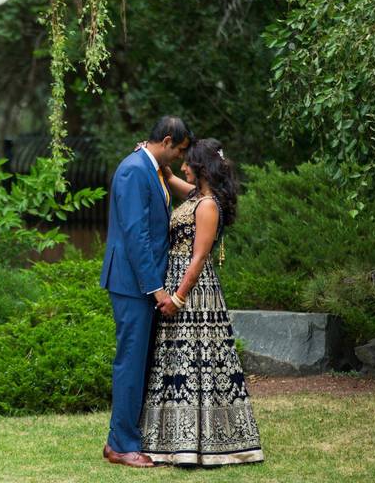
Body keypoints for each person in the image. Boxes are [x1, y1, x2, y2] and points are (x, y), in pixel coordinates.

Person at [139, 138, 264, 466]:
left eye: (187, 163)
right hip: (180, 285)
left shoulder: (207, 205)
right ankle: (175, 442)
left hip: (193, 293)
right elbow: (175, 182)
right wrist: (157, 161)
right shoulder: (197, 196)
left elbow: (198, 258)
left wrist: (178, 297)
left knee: (198, 363)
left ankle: (206, 443)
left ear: (202, 168)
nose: (183, 167)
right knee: (181, 362)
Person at [100, 116, 192, 468]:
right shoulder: (134, 170)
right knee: (130, 362)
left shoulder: (150, 168)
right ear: (167, 141)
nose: (180, 158)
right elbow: (136, 234)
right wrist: (156, 290)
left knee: (139, 363)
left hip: (141, 282)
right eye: (180, 150)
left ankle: (121, 440)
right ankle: (121, 445)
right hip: (131, 283)